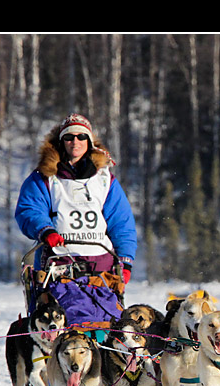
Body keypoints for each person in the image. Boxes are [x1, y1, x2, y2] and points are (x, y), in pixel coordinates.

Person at [15, 113, 137, 284]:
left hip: (101, 264)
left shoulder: (104, 179)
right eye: (69, 137)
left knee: (103, 310)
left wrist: (125, 261)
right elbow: (29, 210)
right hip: (57, 262)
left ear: (89, 141)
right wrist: (45, 230)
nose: (75, 141)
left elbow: (121, 223)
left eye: (81, 136)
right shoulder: (44, 177)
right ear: (61, 142)